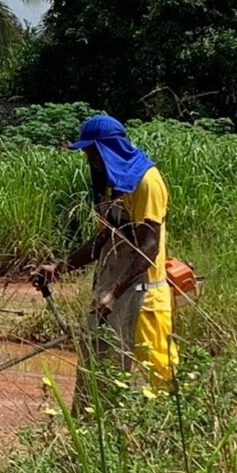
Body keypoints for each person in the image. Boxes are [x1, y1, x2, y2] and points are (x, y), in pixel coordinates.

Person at [35, 115, 177, 386]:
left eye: (94, 154)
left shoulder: (147, 182)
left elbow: (148, 246)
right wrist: (59, 268)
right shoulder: (110, 186)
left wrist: (114, 294)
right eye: (88, 155)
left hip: (144, 298)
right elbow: (104, 239)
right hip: (110, 297)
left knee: (157, 380)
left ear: (110, 149)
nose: (91, 162)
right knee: (100, 377)